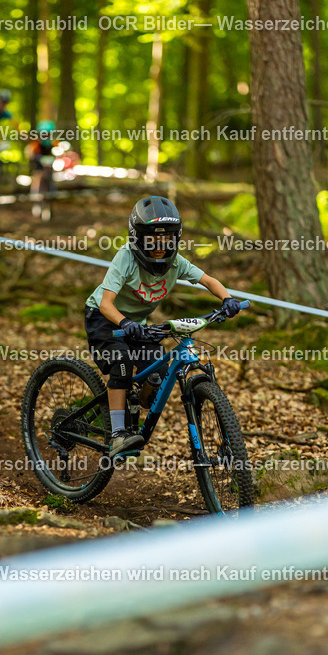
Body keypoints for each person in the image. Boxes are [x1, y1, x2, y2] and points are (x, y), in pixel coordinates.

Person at [84, 195, 243, 459]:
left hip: (137, 324)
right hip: (104, 317)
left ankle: (132, 401)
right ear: (137, 238)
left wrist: (227, 299)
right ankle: (117, 435)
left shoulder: (176, 262)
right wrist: (125, 322)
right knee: (121, 361)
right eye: (151, 240)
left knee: (157, 369)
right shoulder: (125, 258)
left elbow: (209, 280)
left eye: (166, 240)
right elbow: (105, 304)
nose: (159, 247)